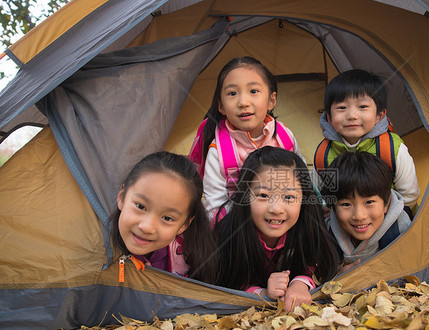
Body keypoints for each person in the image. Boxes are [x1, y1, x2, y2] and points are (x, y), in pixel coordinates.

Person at [214, 146, 339, 311]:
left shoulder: (307, 227)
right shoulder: (229, 233)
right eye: (263, 195)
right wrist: (262, 292)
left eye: (289, 197)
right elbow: (225, 282)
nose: (276, 209)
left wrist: (300, 284)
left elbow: (317, 264)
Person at [189, 56, 302, 219]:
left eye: (253, 91)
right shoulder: (219, 152)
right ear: (221, 106)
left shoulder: (285, 138)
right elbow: (214, 208)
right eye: (232, 93)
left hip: (282, 219)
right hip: (237, 229)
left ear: (271, 100)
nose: (243, 102)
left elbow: (302, 179)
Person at [314, 69, 419, 215]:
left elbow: (410, 195)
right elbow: (320, 194)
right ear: (329, 117)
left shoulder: (391, 148)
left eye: (362, 107)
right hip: (344, 222)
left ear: (379, 115)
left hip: (390, 221)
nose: (352, 115)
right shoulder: (323, 154)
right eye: (342, 108)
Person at [109, 151, 217, 283]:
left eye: (167, 218)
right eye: (140, 206)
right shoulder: (92, 249)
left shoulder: (192, 261)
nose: (147, 227)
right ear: (121, 197)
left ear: (184, 225)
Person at [323, 151, 412, 266]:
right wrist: (338, 275)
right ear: (333, 208)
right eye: (346, 204)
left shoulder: (401, 231)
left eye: (369, 202)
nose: (359, 216)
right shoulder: (328, 235)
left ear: (386, 204)